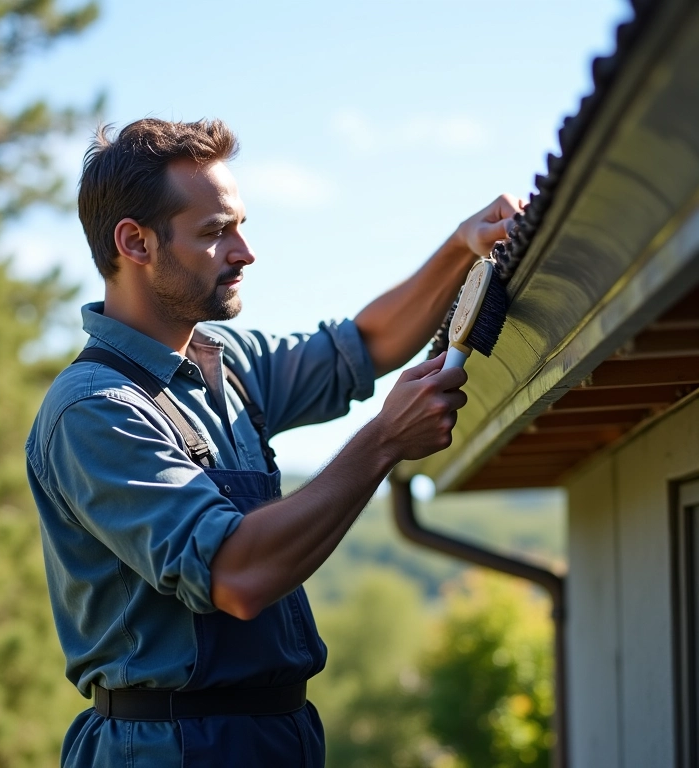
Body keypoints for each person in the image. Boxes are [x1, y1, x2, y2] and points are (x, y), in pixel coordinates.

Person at [26, 117, 522, 767]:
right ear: (135, 243)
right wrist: (380, 444)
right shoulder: (95, 411)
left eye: (240, 226)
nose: (244, 252)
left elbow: (365, 346)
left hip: (274, 736)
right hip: (169, 749)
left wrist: (463, 246)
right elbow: (236, 574)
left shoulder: (225, 361)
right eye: (215, 232)